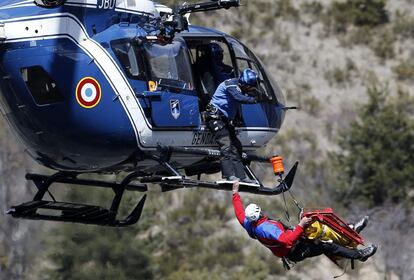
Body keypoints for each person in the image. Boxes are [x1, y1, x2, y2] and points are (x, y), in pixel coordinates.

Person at [231, 182, 378, 264]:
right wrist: (301, 225)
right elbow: (286, 240)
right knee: (326, 245)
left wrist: (235, 193)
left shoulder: (250, 225)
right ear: (260, 213)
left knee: (317, 226)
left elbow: (239, 213)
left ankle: (350, 230)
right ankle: (359, 255)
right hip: (295, 250)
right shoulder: (266, 228)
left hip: (295, 243)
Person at [206, 68, 259, 183]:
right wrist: (254, 99)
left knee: (236, 147)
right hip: (214, 117)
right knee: (225, 144)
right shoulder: (231, 85)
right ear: (244, 84)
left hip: (224, 120)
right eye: (250, 88)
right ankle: (229, 176)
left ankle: (241, 177)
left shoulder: (239, 87)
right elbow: (238, 98)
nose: (250, 90)